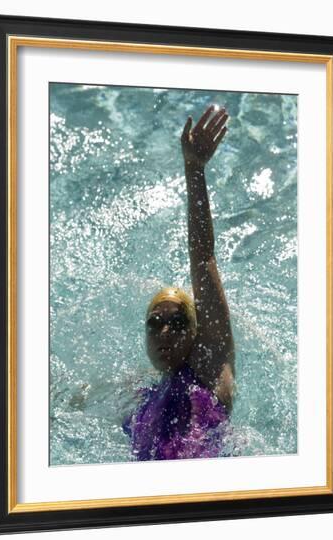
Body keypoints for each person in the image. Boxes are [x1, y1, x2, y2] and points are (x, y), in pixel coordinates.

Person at [123, 104, 235, 461]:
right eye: (155, 323)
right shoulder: (144, 397)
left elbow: (203, 256)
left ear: (195, 330)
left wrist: (194, 169)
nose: (165, 332)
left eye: (177, 322)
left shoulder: (209, 368)